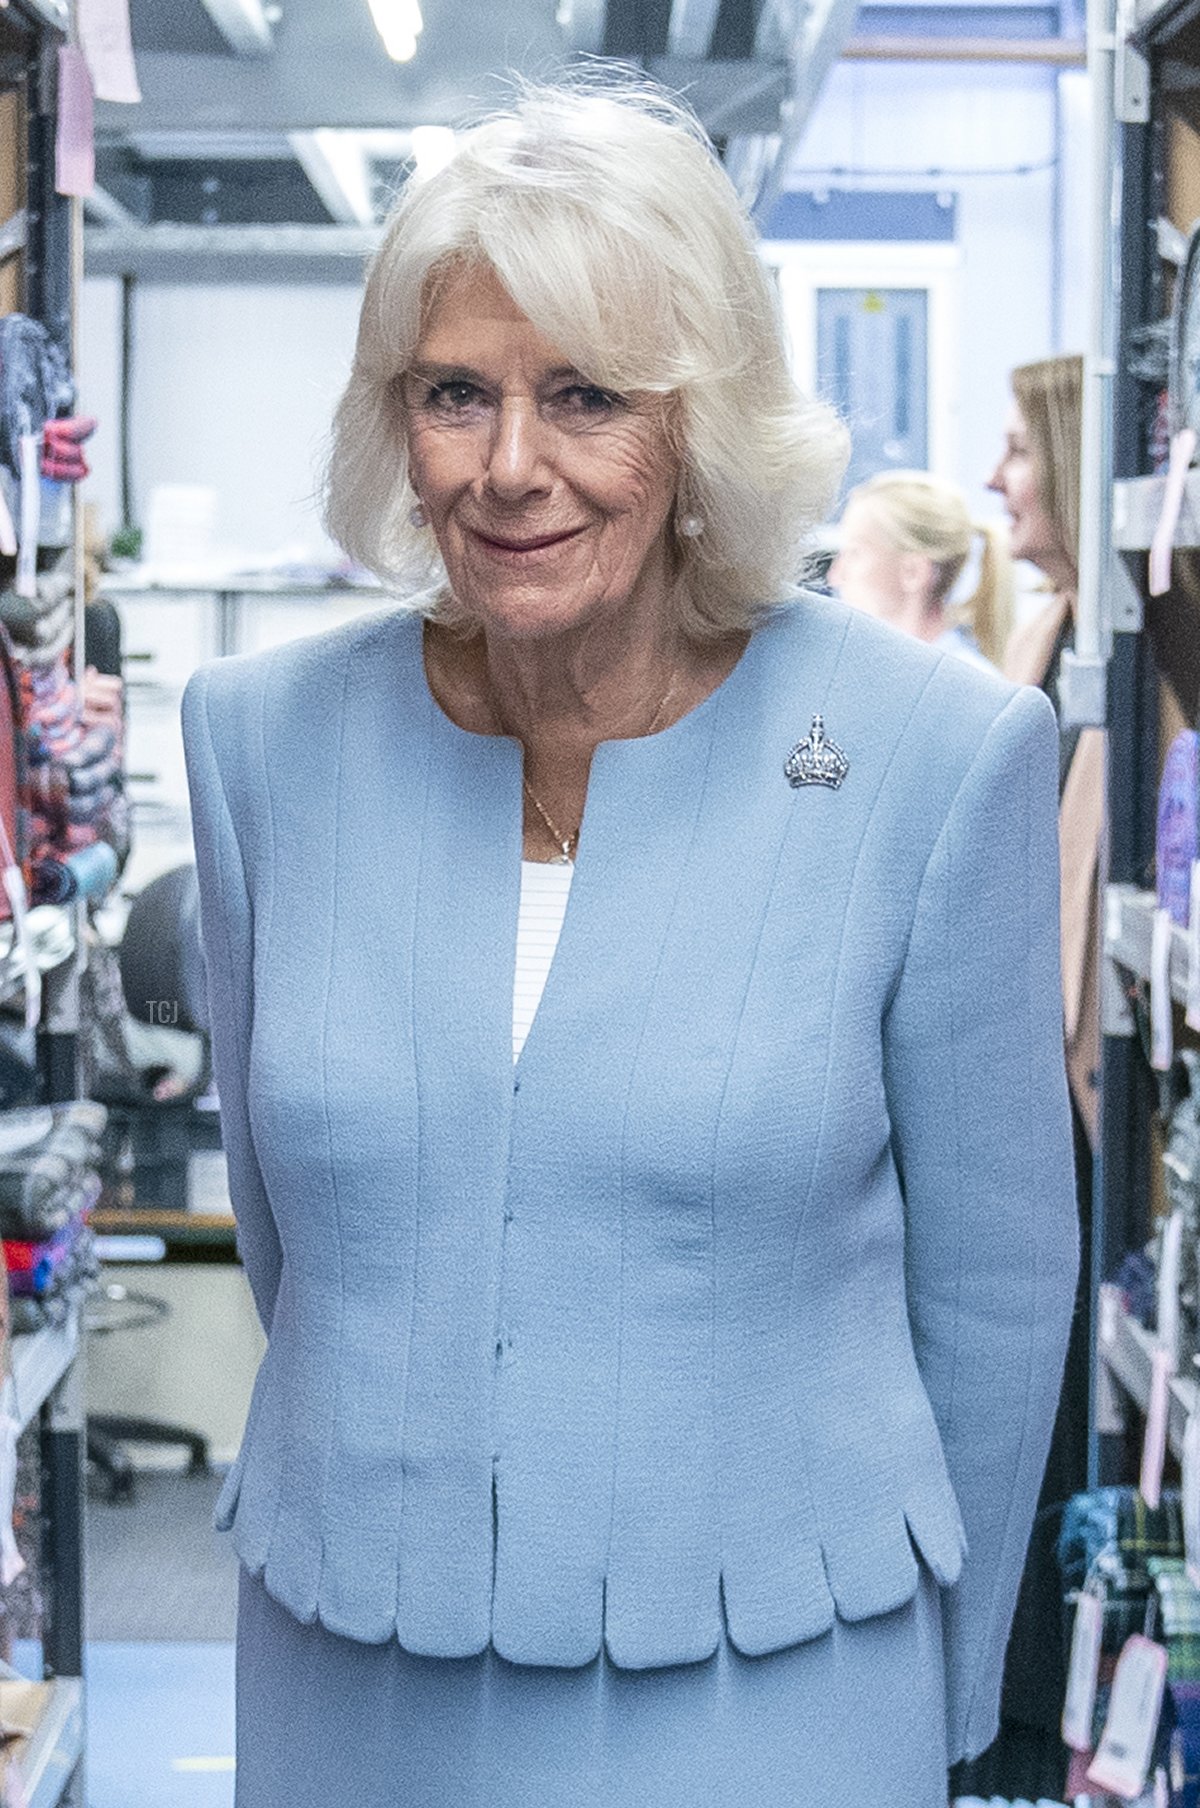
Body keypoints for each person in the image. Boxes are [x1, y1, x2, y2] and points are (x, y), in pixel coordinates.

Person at [182, 79, 1078, 1808]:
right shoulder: (259, 742)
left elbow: (992, 1285)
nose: (512, 463)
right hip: (349, 1668)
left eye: (587, 394)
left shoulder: (930, 755)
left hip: (782, 1679)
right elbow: (295, 1227)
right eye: (457, 393)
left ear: (703, 424)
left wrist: (950, 1702)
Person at [954, 352, 1098, 1802]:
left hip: (1068, 1102)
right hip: (1033, 1089)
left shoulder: (1100, 649)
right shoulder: (1055, 632)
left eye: (1018, 450)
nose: (1002, 478)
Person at [828, 468, 1013, 670]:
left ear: (913, 572)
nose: (834, 577)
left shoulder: (968, 687)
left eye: (854, 553)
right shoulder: (876, 673)